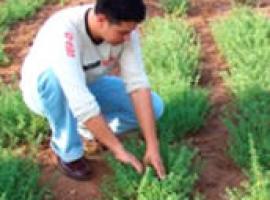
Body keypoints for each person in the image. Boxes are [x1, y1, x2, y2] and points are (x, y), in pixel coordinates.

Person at [20, 0, 165, 181]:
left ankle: (89, 129)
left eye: (132, 31)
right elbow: (80, 101)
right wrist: (118, 149)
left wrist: (152, 146)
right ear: (101, 19)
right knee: (55, 80)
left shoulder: (126, 30)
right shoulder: (64, 31)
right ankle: (68, 152)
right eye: (123, 32)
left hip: (89, 83)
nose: (129, 38)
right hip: (46, 91)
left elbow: (138, 86)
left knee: (156, 107)